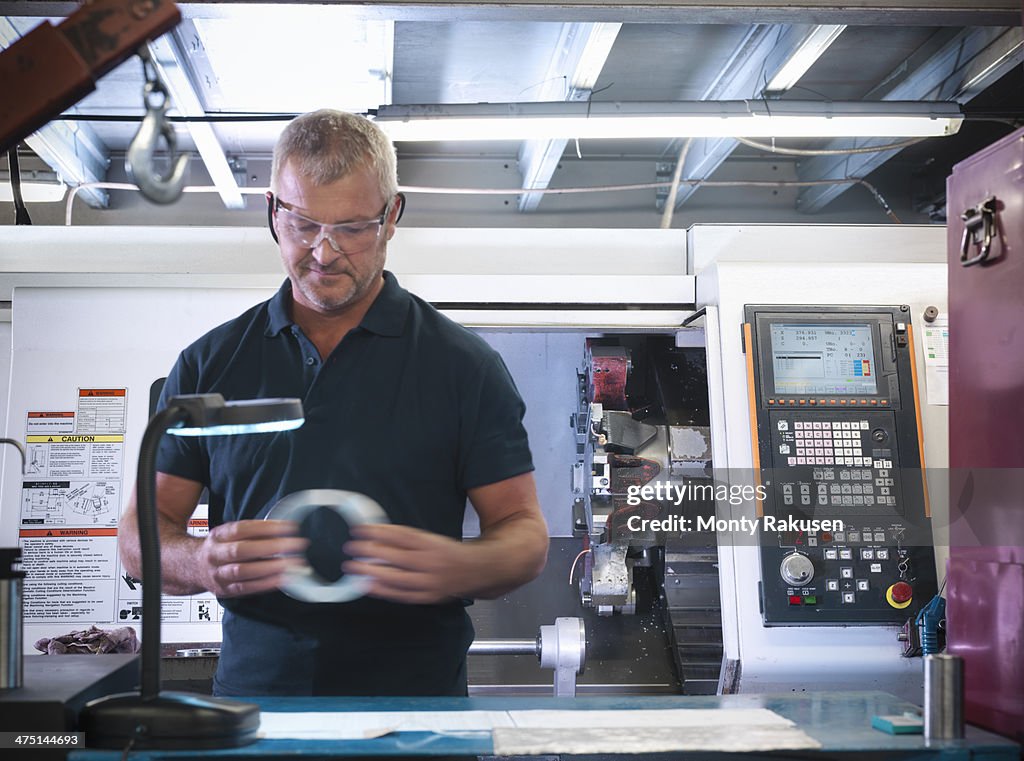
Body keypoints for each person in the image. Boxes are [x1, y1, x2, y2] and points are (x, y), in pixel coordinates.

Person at [118, 109, 549, 697]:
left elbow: (524, 533)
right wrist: (198, 562)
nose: (322, 254)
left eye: (351, 228)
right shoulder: (208, 364)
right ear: (274, 210)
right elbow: (139, 538)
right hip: (256, 712)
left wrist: (458, 565)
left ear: (392, 216)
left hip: (416, 718)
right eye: (302, 225)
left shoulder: (462, 367)